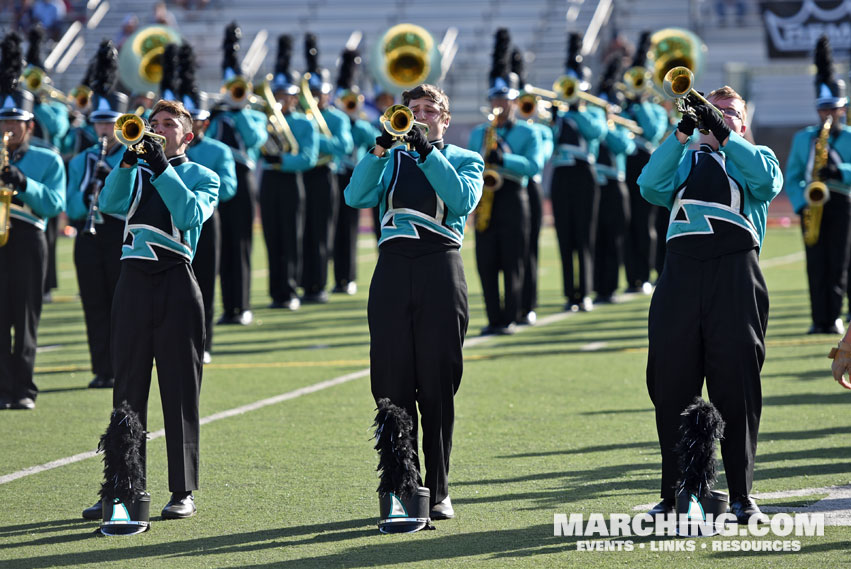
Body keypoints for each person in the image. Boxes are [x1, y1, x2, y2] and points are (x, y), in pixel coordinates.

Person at [638, 85, 783, 523]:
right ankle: (676, 493)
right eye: (712, 111)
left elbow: (766, 182)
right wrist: (683, 131)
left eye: (729, 112)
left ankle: (740, 494)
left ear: (744, 121)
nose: (717, 116)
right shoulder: (683, 159)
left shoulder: (756, 155)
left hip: (735, 276)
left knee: (736, 388)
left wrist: (726, 133)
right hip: (680, 276)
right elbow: (649, 184)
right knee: (671, 387)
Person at [344, 83, 483, 520]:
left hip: (440, 268)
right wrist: (379, 149)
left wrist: (425, 150)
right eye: (411, 110)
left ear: (444, 118)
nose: (419, 115)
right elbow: (354, 196)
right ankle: (401, 486)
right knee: (391, 382)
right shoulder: (389, 162)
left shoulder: (465, 158)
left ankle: (438, 489)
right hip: (392, 270)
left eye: (429, 110)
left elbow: (461, 198)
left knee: (438, 384)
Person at [81, 99, 219, 520]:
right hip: (133, 283)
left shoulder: (203, 175)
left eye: (168, 124)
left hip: (177, 281)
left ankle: (183, 491)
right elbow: (109, 204)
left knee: (179, 391)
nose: (157, 129)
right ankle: (123, 486)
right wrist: (127, 161)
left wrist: (162, 167)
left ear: (187, 134)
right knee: (127, 389)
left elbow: (190, 213)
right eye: (153, 123)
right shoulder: (135, 171)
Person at [0, 31, 65, 411]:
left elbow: (55, 203)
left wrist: (23, 183)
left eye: (15, 121)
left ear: (29, 124)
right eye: (2, 120)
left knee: (24, 320)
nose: (7, 129)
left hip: (27, 240)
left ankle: (23, 389)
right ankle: (2, 388)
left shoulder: (48, 158)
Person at [468, 29, 543, 335]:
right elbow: (470, 162)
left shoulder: (529, 133)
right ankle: (493, 318)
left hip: (514, 197)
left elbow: (534, 165)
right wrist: (485, 157)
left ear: (515, 101)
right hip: (486, 198)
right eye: (495, 99)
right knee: (486, 261)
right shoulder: (478, 132)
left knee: (513, 260)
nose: (499, 104)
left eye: (505, 99)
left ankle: (511, 316)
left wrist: (504, 160)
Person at [64, 39, 128, 389]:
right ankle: (101, 368)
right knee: (94, 303)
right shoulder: (81, 160)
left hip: (120, 235)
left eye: (111, 123)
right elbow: (71, 207)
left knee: (122, 304)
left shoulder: (131, 159)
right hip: (88, 238)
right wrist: (90, 183)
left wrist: (109, 183)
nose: (104, 130)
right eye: (99, 123)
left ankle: (122, 366)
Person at [785, 35, 851, 335]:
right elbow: (793, 174)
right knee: (815, 263)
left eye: (832, 109)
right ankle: (818, 318)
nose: (827, 115)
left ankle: (835, 316)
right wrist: (801, 202)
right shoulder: (803, 138)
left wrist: (840, 171)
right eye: (822, 109)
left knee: (838, 262)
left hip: (841, 202)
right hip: (812, 205)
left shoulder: (849, 138)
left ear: (843, 109)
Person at [177, 43, 238, 364]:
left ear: (204, 122)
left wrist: (200, 186)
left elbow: (228, 188)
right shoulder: (164, 153)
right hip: (169, 220)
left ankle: (204, 343)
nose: (191, 125)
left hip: (206, 220)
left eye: (195, 120)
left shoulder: (218, 151)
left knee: (204, 283)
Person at [208, 23, 268, 325]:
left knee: (241, 243)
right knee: (222, 244)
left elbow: (256, 141)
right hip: (217, 178)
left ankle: (241, 305)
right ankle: (226, 306)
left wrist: (238, 109)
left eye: (239, 89)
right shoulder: (216, 117)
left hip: (243, 180)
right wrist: (219, 114)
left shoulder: (254, 115)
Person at [550, 32, 608, 312]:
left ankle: (584, 291)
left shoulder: (593, 112)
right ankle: (568, 294)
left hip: (585, 175)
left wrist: (576, 111)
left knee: (584, 234)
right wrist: (554, 121)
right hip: (562, 175)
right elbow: (549, 146)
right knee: (565, 235)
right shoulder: (558, 114)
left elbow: (596, 132)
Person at [259, 35, 318, 311]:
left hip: (291, 181)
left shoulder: (305, 124)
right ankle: (275, 293)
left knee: (292, 236)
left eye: (286, 96)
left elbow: (308, 157)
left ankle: (291, 289)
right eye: (278, 95)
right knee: (271, 237)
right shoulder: (264, 120)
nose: (281, 100)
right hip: (269, 180)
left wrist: (281, 159)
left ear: (295, 98)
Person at [300, 33, 353, 303]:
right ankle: (302, 282)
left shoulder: (336, 117)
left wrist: (310, 139)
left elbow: (343, 145)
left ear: (328, 93)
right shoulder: (300, 117)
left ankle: (319, 284)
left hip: (324, 176)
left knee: (321, 232)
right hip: (301, 175)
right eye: (311, 92)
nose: (315, 97)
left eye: (319, 93)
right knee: (302, 231)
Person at [512, 49, 554, 327]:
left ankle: (528, 304)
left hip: (530, 190)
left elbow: (540, 160)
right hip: (507, 189)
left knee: (529, 251)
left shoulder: (541, 131)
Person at [333, 48, 378, 296]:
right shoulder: (330, 120)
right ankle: (337, 278)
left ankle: (347, 277)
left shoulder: (361, 124)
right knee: (335, 228)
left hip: (352, 174)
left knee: (349, 228)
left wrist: (356, 121)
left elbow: (374, 141)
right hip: (332, 175)